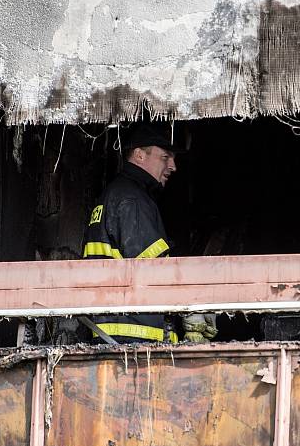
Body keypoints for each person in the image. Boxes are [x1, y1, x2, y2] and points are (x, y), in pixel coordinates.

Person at [82, 122, 217, 343]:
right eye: (165, 157)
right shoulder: (132, 199)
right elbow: (155, 268)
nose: (173, 166)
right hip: (135, 336)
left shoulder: (116, 194)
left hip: (114, 332)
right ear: (139, 155)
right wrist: (193, 307)